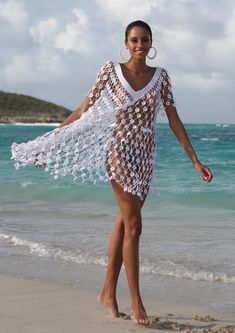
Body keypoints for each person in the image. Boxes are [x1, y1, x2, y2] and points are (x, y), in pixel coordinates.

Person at [11, 20, 213, 326]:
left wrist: (194, 160)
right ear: (126, 43)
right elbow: (83, 111)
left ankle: (107, 291)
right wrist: (50, 143)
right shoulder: (110, 70)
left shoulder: (161, 78)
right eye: (134, 40)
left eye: (144, 40)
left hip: (145, 157)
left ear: (151, 43)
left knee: (124, 223)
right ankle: (136, 303)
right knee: (134, 226)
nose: (139, 45)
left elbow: (174, 119)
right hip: (118, 153)